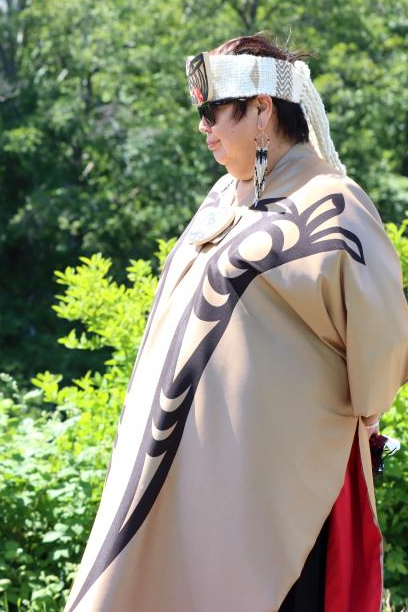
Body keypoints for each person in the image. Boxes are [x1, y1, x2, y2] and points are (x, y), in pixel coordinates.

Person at [65, 34, 408, 611]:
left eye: (212, 110)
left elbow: (380, 358)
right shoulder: (222, 198)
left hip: (281, 490)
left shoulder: (334, 203)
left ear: (261, 108)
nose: (203, 126)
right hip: (184, 477)